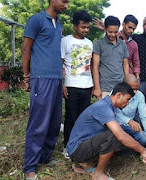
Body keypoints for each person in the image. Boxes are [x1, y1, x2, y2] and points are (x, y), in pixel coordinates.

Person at [66, 82, 146, 180]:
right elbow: (120, 136)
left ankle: (87, 162)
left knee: (124, 139)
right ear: (119, 95)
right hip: (76, 150)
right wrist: (143, 151)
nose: (128, 103)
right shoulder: (103, 107)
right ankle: (98, 174)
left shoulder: (108, 106)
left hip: (85, 144)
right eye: (127, 99)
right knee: (115, 136)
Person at [21, 0, 68, 179]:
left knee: (55, 122)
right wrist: (27, 77)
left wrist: (61, 81)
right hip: (41, 78)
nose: (66, 5)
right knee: (38, 122)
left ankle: (45, 157)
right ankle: (30, 167)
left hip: (56, 79)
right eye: (64, 1)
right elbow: (26, 49)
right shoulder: (36, 20)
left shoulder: (59, 24)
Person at [61, 10, 93, 159]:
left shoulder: (89, 43)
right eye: (83, 27)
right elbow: (60, 64)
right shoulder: (66, 41)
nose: (86, 30)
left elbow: (91, 65)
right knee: (70, 117)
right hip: (71, 85)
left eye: (87, 27)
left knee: (83, 118)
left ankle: (80, 145)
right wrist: (62, 84)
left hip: (87, 86)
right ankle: (67, 146)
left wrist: (93, 86)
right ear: (75, 26)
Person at [116, 74, 146, 155]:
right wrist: (129, 121)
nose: (134, 92)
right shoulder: (115, 94)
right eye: (132, 89)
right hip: (115, 125)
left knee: (144, 138)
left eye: (136, 89)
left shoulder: (139, 95)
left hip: (130, 127)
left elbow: (144, 117)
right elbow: (114, 114)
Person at [92, 16, 129, 99]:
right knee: (105, 111)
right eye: (110, 32)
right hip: (104, 88)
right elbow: (95, 67)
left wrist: (126, 83)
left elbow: (125, 64)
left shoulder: (122, 44)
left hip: (120, 87)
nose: (113, 34)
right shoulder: (98, 44)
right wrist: (97, 87)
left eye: (115, 32)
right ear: (105, 29)